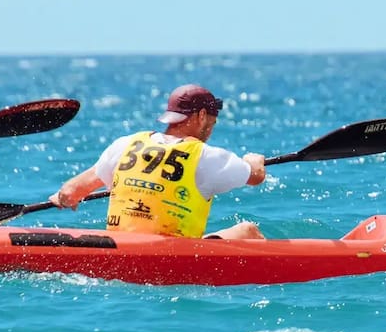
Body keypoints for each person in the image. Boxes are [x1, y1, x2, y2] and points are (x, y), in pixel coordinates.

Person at [49, 84, 267, 239]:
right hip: (175, 256)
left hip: (121, 247)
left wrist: (63, 198)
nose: (211, 130)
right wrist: (253, 160)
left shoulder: (126, 144)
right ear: (201, 116)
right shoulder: (205, 155)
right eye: (212, 122)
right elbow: (256, 176)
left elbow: (71, 191)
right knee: (248, 230)